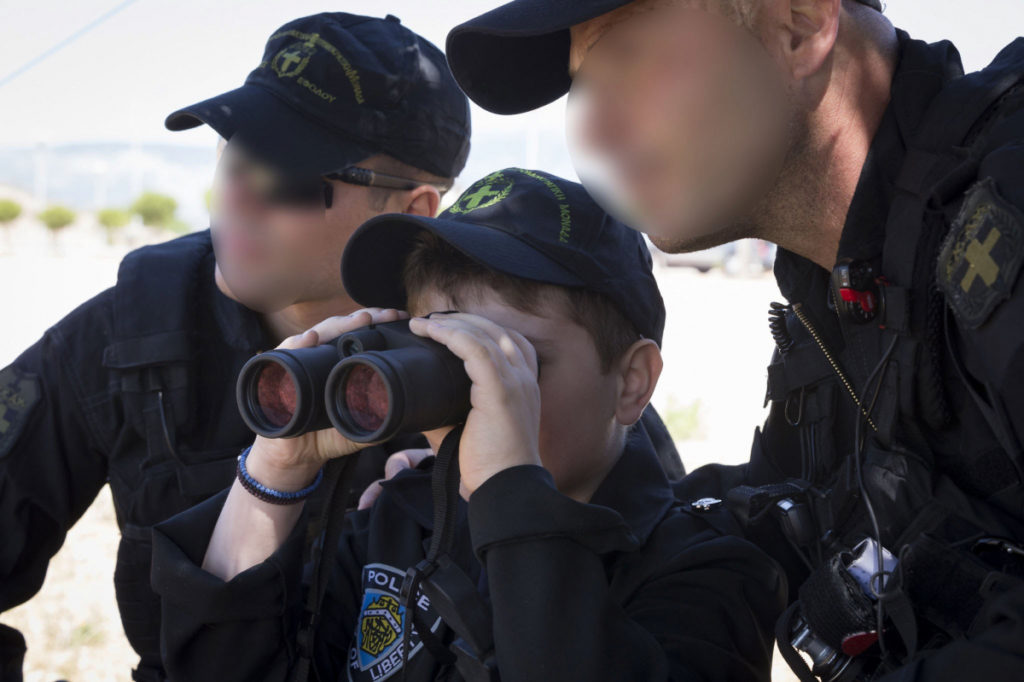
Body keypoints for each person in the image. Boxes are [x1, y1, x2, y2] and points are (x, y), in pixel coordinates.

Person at [444, 1, 1024, 679]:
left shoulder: (1004, 201)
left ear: (800, 25)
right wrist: (472, 500)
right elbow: (766, 510)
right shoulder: (844, 297)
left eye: (626, 59)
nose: (594, 130)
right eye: (585, 87)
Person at [149, 168, 785, 682]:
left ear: (631, 383)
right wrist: (275, 471)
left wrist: (509, 490)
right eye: (444, 360)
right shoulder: (400, 526)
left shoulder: (711, 573)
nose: (478, 397)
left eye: (511, 362)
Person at [0, 12, 473, 682]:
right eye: (235, 152)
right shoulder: (132, 331)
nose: (239, 194)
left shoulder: (487, 353)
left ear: (411, 213)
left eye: (288, 172)